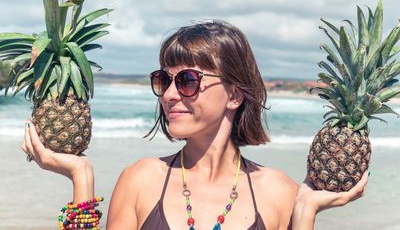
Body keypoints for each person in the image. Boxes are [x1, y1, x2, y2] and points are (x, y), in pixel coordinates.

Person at [22, 20, 368, 230]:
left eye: (188, 80)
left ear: (234, 94)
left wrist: (305, 213)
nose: (170, 94)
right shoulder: (141, 180)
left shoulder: (280, 193)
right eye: (163, 80)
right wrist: (80, 177)